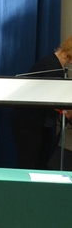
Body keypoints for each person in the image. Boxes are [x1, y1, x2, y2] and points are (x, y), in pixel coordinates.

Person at [11, 35, 72, 170]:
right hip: (28, 121)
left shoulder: (57, 65)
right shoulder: (51, 66)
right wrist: (66, 111)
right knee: (30, 162)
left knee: (41, 159)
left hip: (37, 121)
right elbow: (46, 98)